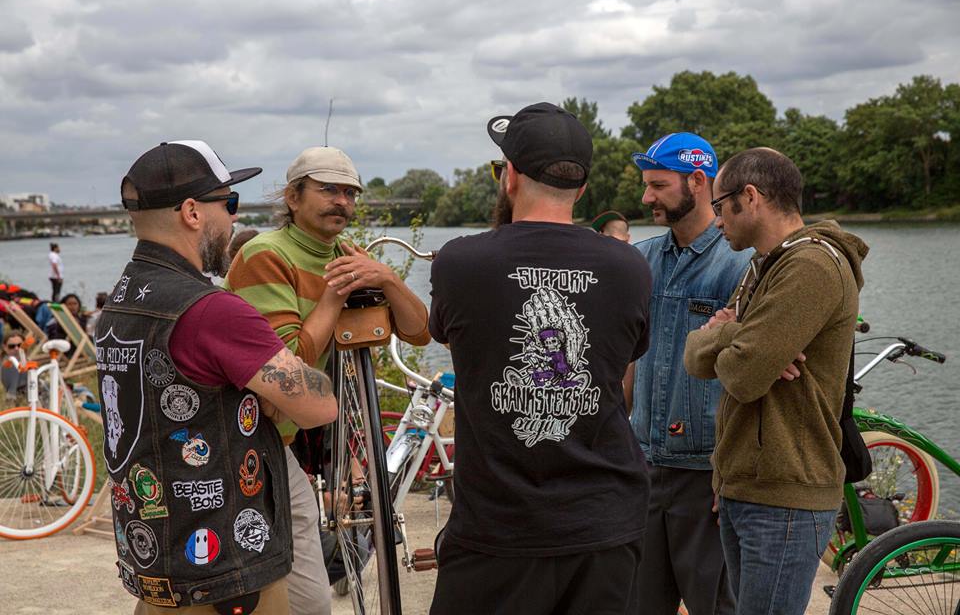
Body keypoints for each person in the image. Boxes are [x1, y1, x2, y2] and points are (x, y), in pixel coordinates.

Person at [428, 102, 653, 614]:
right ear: (582, 188)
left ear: (509, 177)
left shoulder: (461, 261)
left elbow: (446, 336)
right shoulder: (629, 267)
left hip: (496, 527)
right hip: (605, 523)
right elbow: (625, 356)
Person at [100, 140, 339, 615]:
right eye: (228, 203)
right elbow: (318, 407)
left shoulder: (117, 304)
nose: (234, 218)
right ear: (192, 211)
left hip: (154, 555)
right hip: (226, 564)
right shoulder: (212, 310)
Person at [224, 145, 430, 614]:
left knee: (306, 596)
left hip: (304, 431)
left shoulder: (344, 253)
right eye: (328, 190)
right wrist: (336, 296)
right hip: (257, 440)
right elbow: (289, 362)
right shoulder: (264, 255)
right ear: (293, 198)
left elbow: (419, 332)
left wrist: (388, 280)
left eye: (350, 193)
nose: (342, 202)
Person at [683, 148, 868, 614]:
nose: (716, 218)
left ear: (751, 197)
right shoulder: (765, 264)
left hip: (785, 495)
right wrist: (741, 337)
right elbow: (695, 359)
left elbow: (743, 376)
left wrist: (729, 335)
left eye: (721, 205)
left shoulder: (811, 267)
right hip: (744, 485)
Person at [622, 132, 747, 615]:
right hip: (645, 466)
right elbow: (629, 362)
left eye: (657, 185)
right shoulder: (642, 259)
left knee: (717, 606)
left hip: (706, 476)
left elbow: (751, 379)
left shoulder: (739, 262)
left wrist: (731, 474)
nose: (646, 197)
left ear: (698, 180)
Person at [2, 330, 27, 401]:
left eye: (20, 345)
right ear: (5, 347)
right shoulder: (9, 365)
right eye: (11, 346)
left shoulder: (25, 360)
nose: (16, 348)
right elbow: (10, 397)